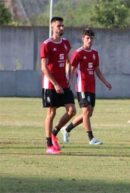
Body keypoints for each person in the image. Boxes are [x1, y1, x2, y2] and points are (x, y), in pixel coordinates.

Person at [61, 28, 112, 145]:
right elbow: (72, 68)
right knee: (86, 112)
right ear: (83, 38)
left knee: (88, 114)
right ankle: (91, 138)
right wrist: (68, 81)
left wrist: (105, 82)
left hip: (91, 87)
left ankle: (67, 129)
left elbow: (97, 70)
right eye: (87, 38)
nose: (89, 40)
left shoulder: (95, 54)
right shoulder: (78, 53)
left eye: (91, 38)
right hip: (82, 86)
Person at [40, 16, 76, 154]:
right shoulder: (46, 44)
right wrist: (55, 84)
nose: (61, 28)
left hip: (64, 83)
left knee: (72, 110)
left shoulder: (66, 43)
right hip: (50, 85)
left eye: (62, 25)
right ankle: (49, 144)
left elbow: (68, 62)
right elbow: (44, 67)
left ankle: (55, 132)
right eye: (58, 26)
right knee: (51, 113)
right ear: (52, 27)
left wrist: (69, 77)